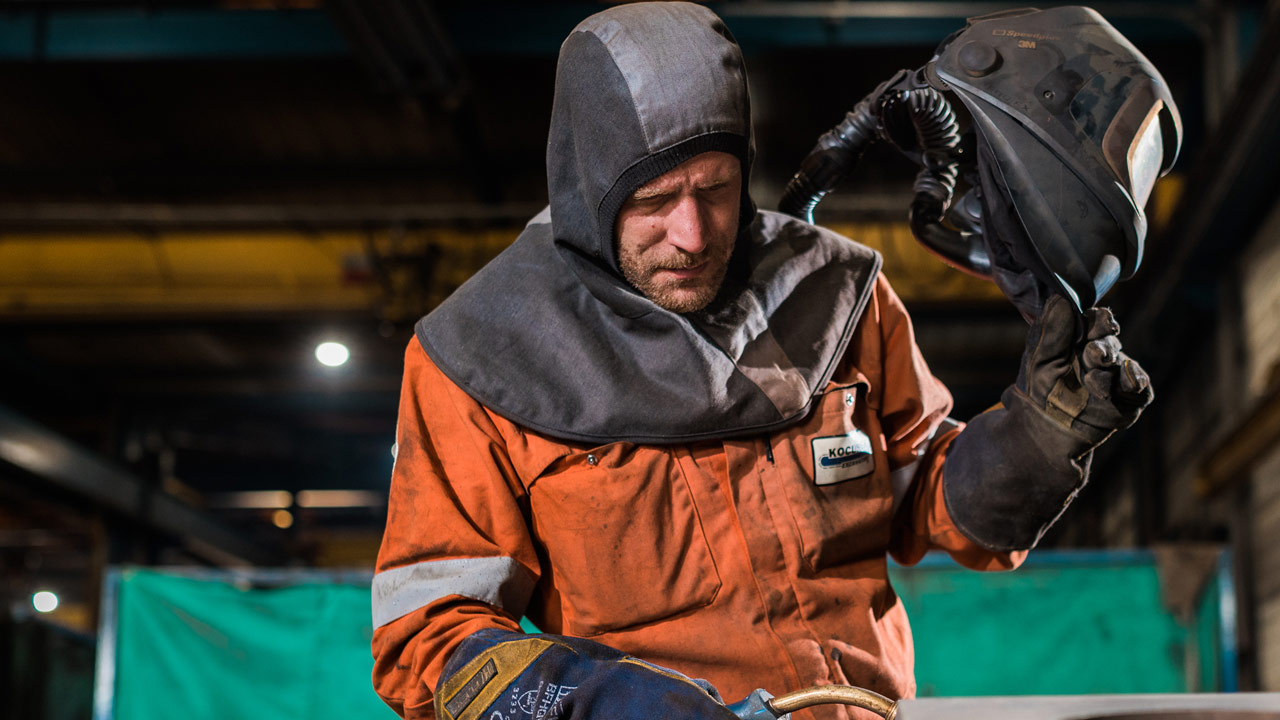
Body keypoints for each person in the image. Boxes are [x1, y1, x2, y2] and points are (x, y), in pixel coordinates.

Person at [370, 4, 1153, 720]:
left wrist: (1032, 445)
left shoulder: (836, 293)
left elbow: (920, 499)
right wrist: (603, 706)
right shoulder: (481, 357)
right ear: (585, 191)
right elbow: (428, 637)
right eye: (653, 202)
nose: (692, 235)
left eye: (714, 189)